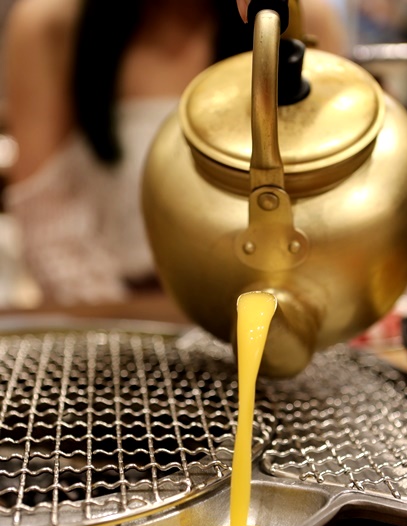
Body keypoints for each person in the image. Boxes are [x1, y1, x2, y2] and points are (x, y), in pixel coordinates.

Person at [2, 0, 348, 306]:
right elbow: (48, 226)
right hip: (109, 316)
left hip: (264, 309)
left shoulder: (296, 21)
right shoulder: (51, 23)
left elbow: (328, 211)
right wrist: (130, 327)